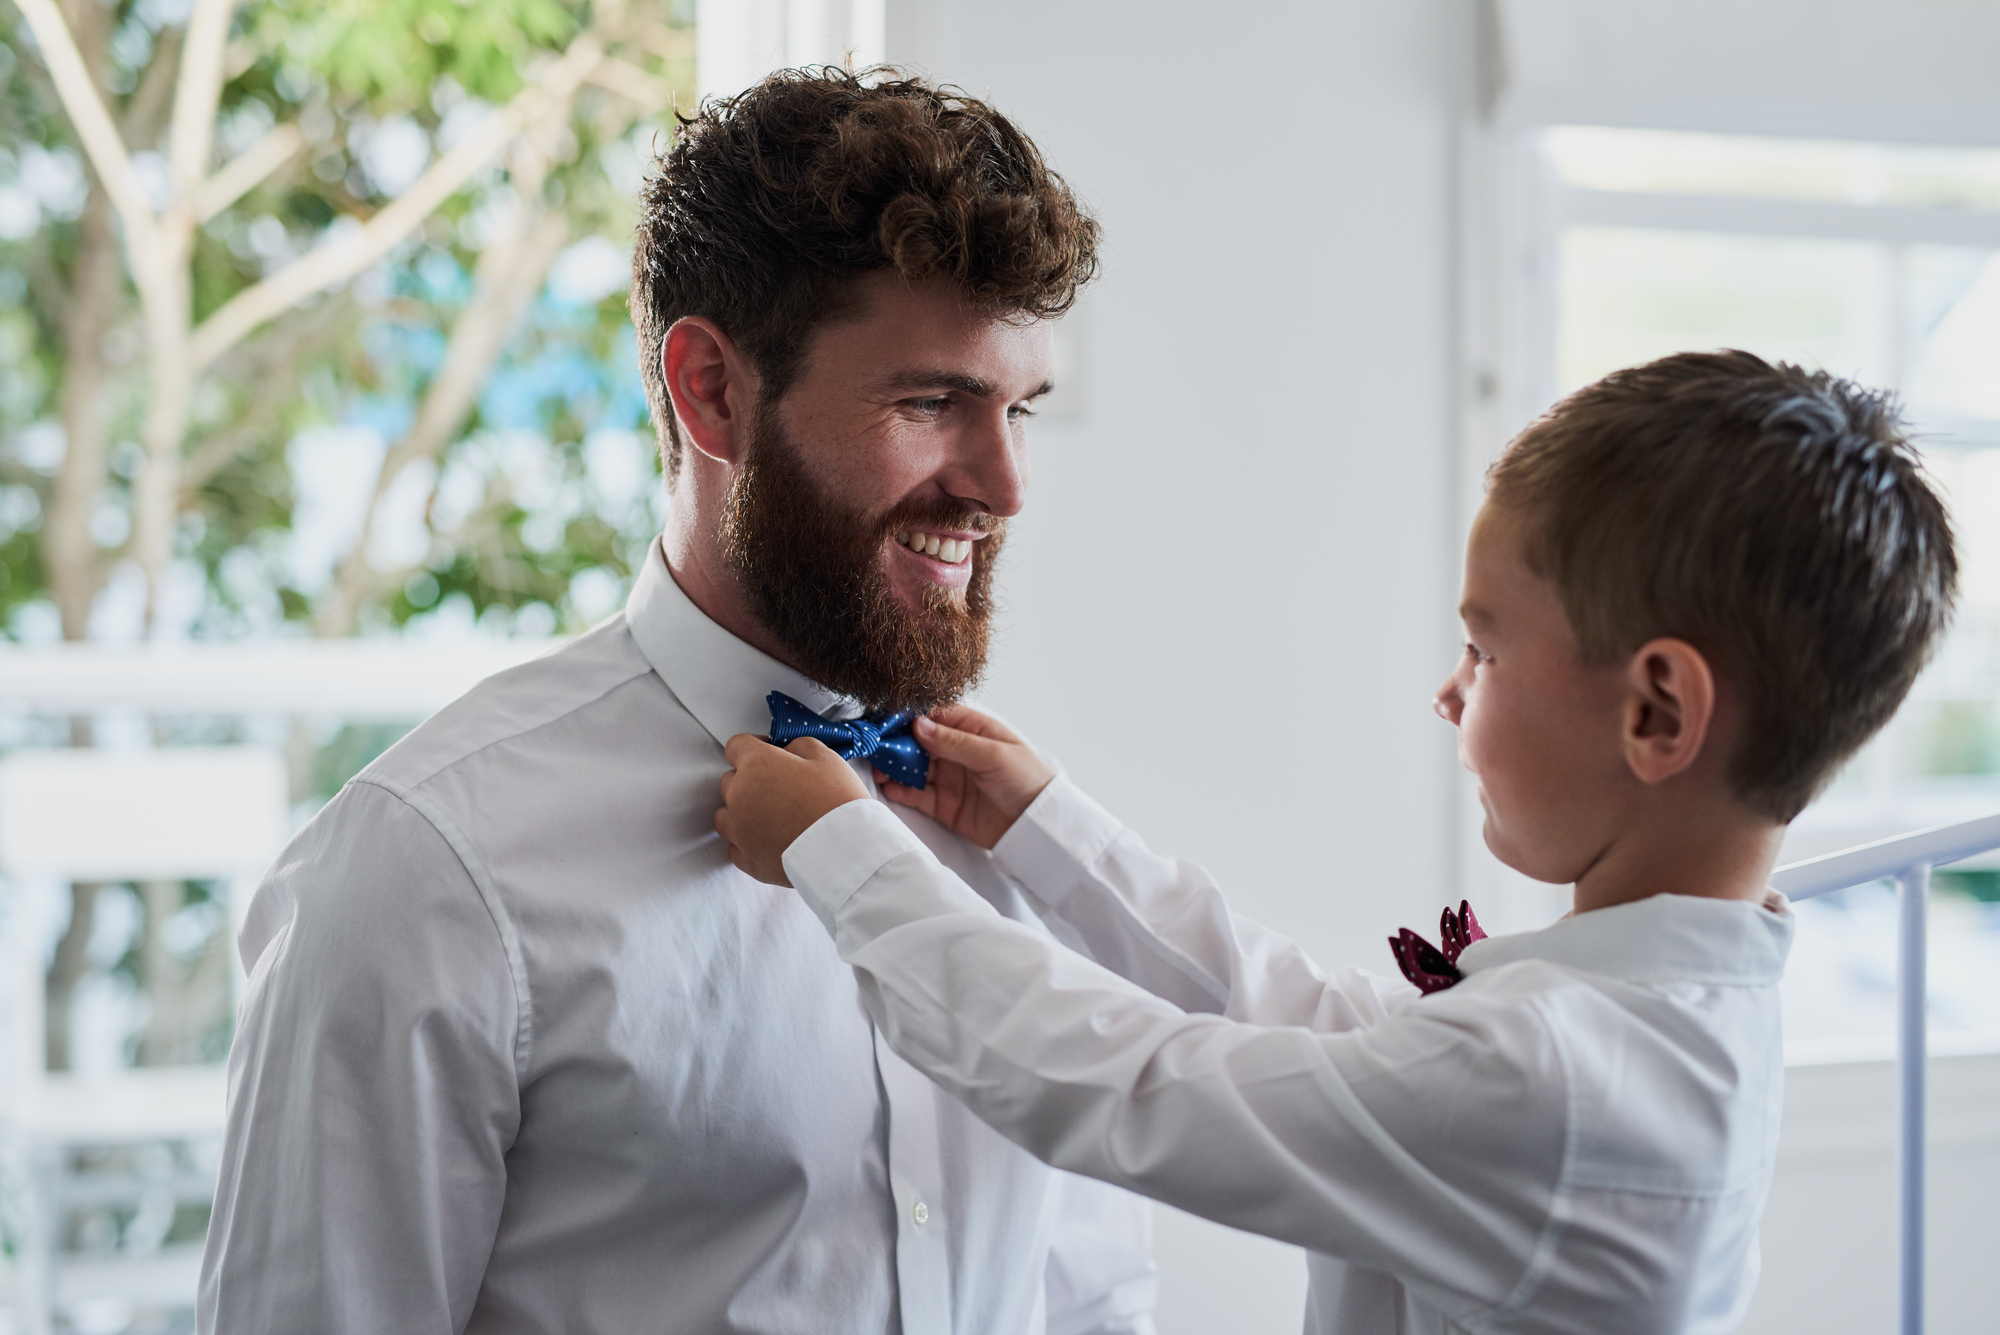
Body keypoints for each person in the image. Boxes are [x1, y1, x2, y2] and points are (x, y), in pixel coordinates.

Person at [713, 351, 1960, 1334]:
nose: (1448, 689)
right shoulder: (1650, 1015)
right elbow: (1311, 1023)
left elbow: (1125, 1086)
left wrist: (847, 861)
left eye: (1483, 646)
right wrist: (1048, 832)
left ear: (1654, 713)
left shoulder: (1567, 1087)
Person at [200, 69, 1159, 1335]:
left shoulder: (1022, 833)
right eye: (930, 402)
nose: (1003, 485)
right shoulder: (428, 871)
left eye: (1019, 408)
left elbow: (1096, 1300)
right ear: (711, 389)